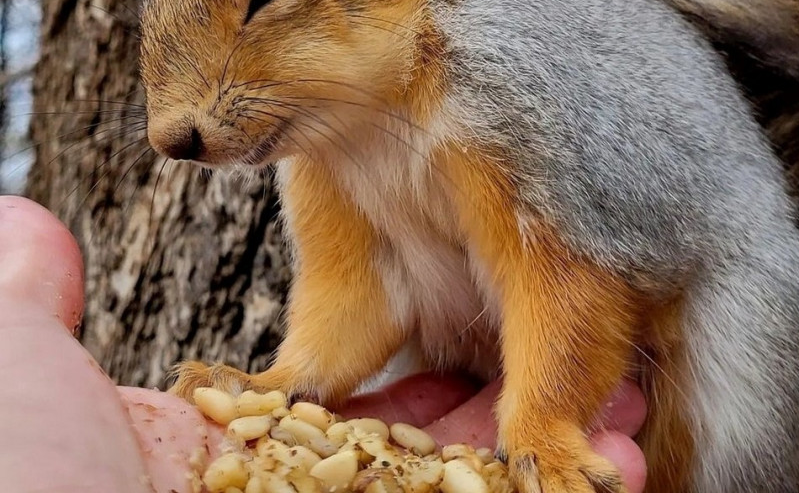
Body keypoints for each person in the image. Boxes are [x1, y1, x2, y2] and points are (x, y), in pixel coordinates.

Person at [0, 195, 647, 492]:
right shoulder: (319, 148)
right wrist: (289, 388)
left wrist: (544, 419)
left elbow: (565, 261)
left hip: (657, 318)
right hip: (466, 374)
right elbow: (363, 279)